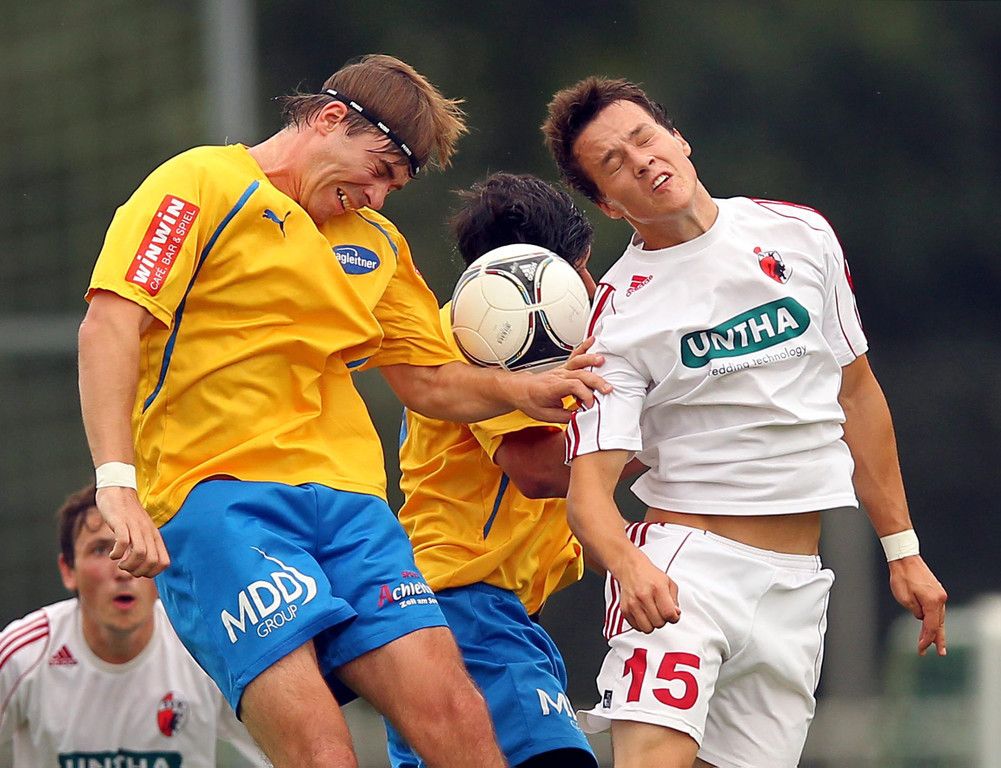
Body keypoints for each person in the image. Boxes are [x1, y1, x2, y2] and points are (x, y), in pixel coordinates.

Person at [77, 54, 607, 768]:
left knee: (457, 718)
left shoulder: (376, 243)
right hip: (219, 503)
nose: (378, 197)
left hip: (352, 509)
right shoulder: (200, 183)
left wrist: (518, 392)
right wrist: (116, 485)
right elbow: (109, 324)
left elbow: (429, 381)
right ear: (330, 119)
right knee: (322, 750)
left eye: (394, 185)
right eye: (379, 169)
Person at [540, 77, 948, 768]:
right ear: (608, 204)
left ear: (678, 140)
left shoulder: (799, 233)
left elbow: (856, 394)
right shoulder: (617, 316)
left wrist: (901, 549)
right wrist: (630, 567)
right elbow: (589, 495)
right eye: (613, 163)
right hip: (684, 576)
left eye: (643, 138)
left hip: (796, 586)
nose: (640, 160)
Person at [387, 172, 620, 768]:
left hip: (465, 608)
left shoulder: (496, 330)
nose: (591, 286)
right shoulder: (495, 339)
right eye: (581, 270)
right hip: (468, 605)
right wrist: (678, 443)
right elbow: (538, 469)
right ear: (543, 280)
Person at [0, 484, 267, 767]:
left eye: (137, 546)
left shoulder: (206, 646)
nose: (123, 569)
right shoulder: (22, 655)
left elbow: (285, 750)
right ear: (68, 570)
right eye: (101, 550)